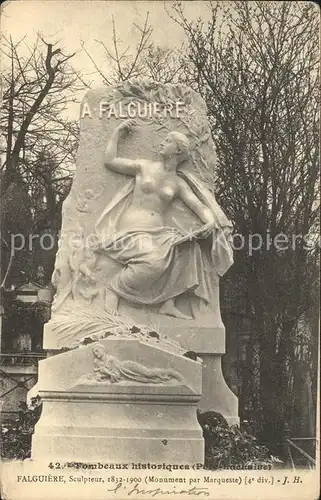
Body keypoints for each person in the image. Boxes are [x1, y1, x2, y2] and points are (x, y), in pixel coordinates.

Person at [95, 119, 233, 319]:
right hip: (133, 230)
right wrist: (117, 133)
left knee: (189, 247)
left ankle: (168, 303)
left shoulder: (177, 183)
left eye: (168, 140)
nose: (162, 142)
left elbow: (199, 206)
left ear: (178, 151)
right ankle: (114, 289)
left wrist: (210, 222)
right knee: (154, 261)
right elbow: (110, 161)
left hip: (159, 234)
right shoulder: (144, 167)